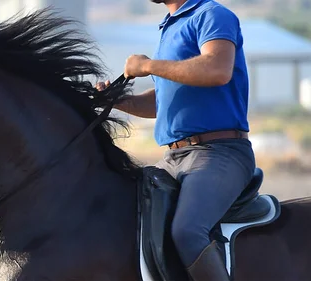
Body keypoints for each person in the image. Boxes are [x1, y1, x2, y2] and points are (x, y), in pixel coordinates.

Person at [97, 0, 255, 280]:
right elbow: (162, 102)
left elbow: (217, 70)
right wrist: (118, 100)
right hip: (173, 157)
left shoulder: (212, 15)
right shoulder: (170, 27)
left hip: (219, 152)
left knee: (187, 231)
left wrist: (148, 65)